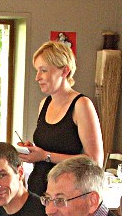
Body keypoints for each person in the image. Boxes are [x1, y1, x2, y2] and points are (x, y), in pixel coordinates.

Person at [19, 41, 103, 196]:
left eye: (43, 70)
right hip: (38, 189)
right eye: (37, 70)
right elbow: (47, 148)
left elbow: (94, 161)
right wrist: (33, 151)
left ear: (65, 71)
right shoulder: (44, 104)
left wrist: (45, 156)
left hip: (65, 196)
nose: (37, 77)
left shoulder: (81, 105)